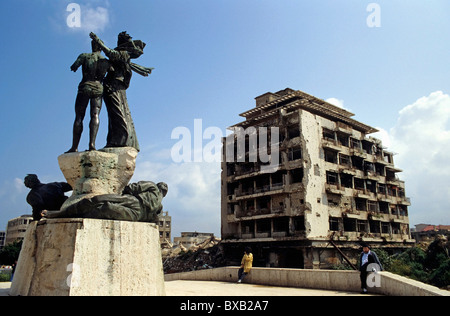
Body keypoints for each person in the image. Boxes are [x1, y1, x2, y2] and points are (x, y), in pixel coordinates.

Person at [66, 40, 110, 153]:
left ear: (92, 46)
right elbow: (113, 73)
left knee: (79, 117)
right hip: (98, 88)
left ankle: (74, 147)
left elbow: (74, 67)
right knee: (95, 115)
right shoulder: (106, 61)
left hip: (85, 87)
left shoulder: (84, 56)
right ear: (101, 47)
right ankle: (92, 144)